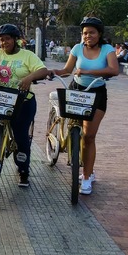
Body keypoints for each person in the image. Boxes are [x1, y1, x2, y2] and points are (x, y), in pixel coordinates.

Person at [0, 24, 49, 187]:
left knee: (21, 138)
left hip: (23, 102)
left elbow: (43, 70)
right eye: (0, 40)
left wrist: (29, 78)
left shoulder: (27, 55)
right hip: (1, 100)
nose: (3, 43)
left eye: (7, 39)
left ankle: (23, 170)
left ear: (15, 39)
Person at [51, 17, 119, 195]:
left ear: (99, 34)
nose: (88, 36)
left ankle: (87, 177)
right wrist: (52, 72)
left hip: (97, 93)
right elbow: (67, 70)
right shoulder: (77, 48)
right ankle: (70, 145)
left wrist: (88, 71)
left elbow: (114, 70)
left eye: (92, 32)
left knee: (89, 136)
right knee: (75, 127)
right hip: (77, 90)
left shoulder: (107, 49)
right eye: (85, 33)